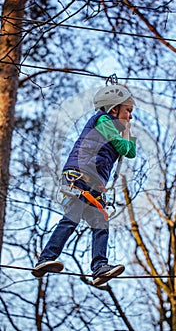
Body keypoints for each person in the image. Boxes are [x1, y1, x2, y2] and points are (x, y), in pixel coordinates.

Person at [32, 84, 136, 286]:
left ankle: (99, 267)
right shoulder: (103, 120)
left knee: (100, 223)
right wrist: (127, 130)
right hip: (79, 177)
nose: (130, 117)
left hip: (93, 183)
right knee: (72, 217)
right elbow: (125, 148)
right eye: (128, 111)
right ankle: (46, 258)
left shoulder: (113, 125)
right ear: (114, 108)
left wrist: (126, 128)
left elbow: (130, 152)